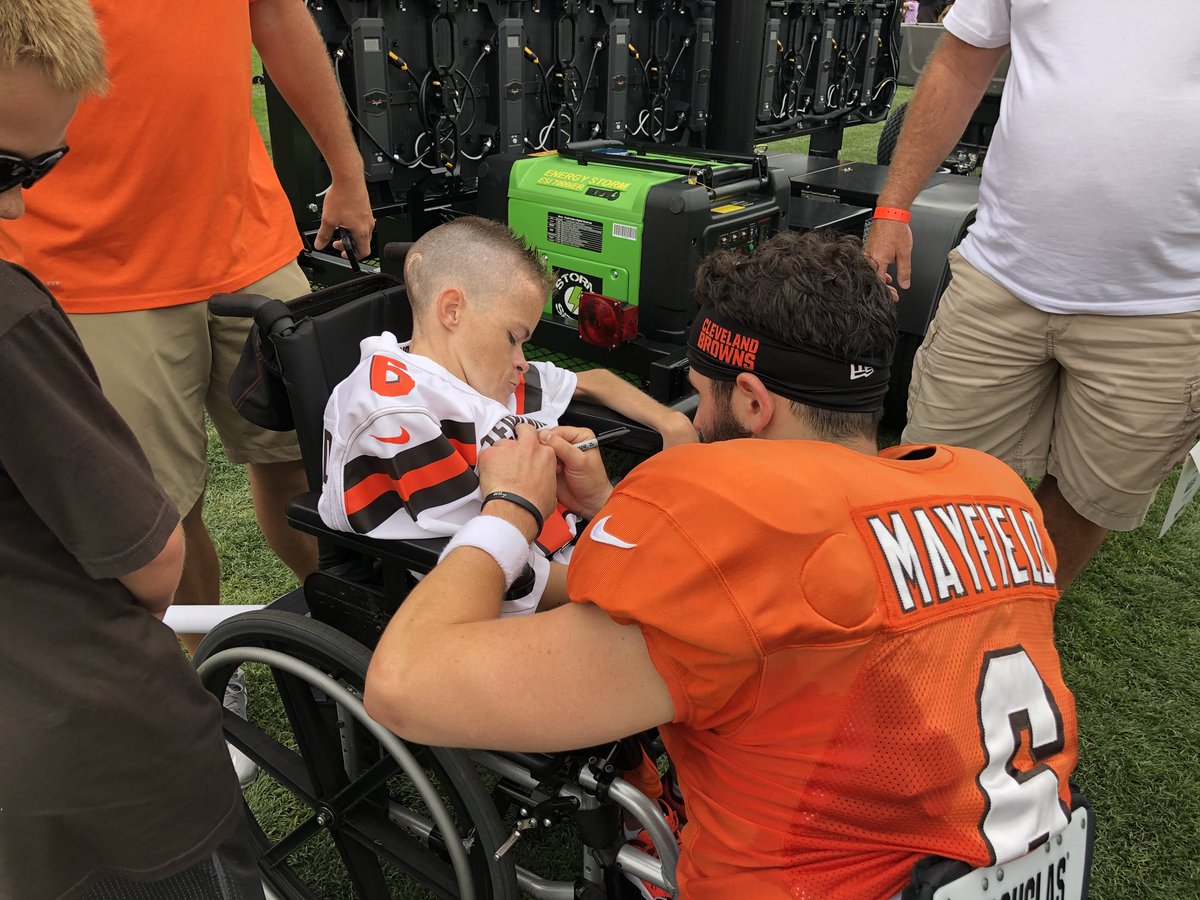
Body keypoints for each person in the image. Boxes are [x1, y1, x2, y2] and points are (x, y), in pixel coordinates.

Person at [361, 231, 1079, 899]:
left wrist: (512, 505)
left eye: (703, 401)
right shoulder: (996, 488)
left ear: (755, 403)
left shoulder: (730, 519)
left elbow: (403, 686)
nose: (697, 425)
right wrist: (609, 504)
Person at [0, 0, 376, 655]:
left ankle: (353, 642)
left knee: (316, 471)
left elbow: (278, 16)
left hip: (246, 234)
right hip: (90, 269)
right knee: (162, 519)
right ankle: (209, 679)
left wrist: (346, 170)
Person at [0, 4, 262, 898]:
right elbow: (152, 564)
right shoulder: (14, 318)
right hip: (91, 771)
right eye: (6, 168)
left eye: (42, 167)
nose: (17, 202)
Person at [865, 0, 1200, 592]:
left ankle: (1024, 613)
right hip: (1002, 276)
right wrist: (893, 206)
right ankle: (925, 620)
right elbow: (960, 65)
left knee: (1090, 494)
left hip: (1167, 307)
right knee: (935, 470)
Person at [319, 215, 697, 614]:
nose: (522, 362)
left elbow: (596, 380)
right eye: (514, 338)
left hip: (578, 548)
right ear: (452, 310)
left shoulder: (483, 372)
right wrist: (634, 581)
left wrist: (671, 422)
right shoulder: (397, 412)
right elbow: (503, 573)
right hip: (530, 600)